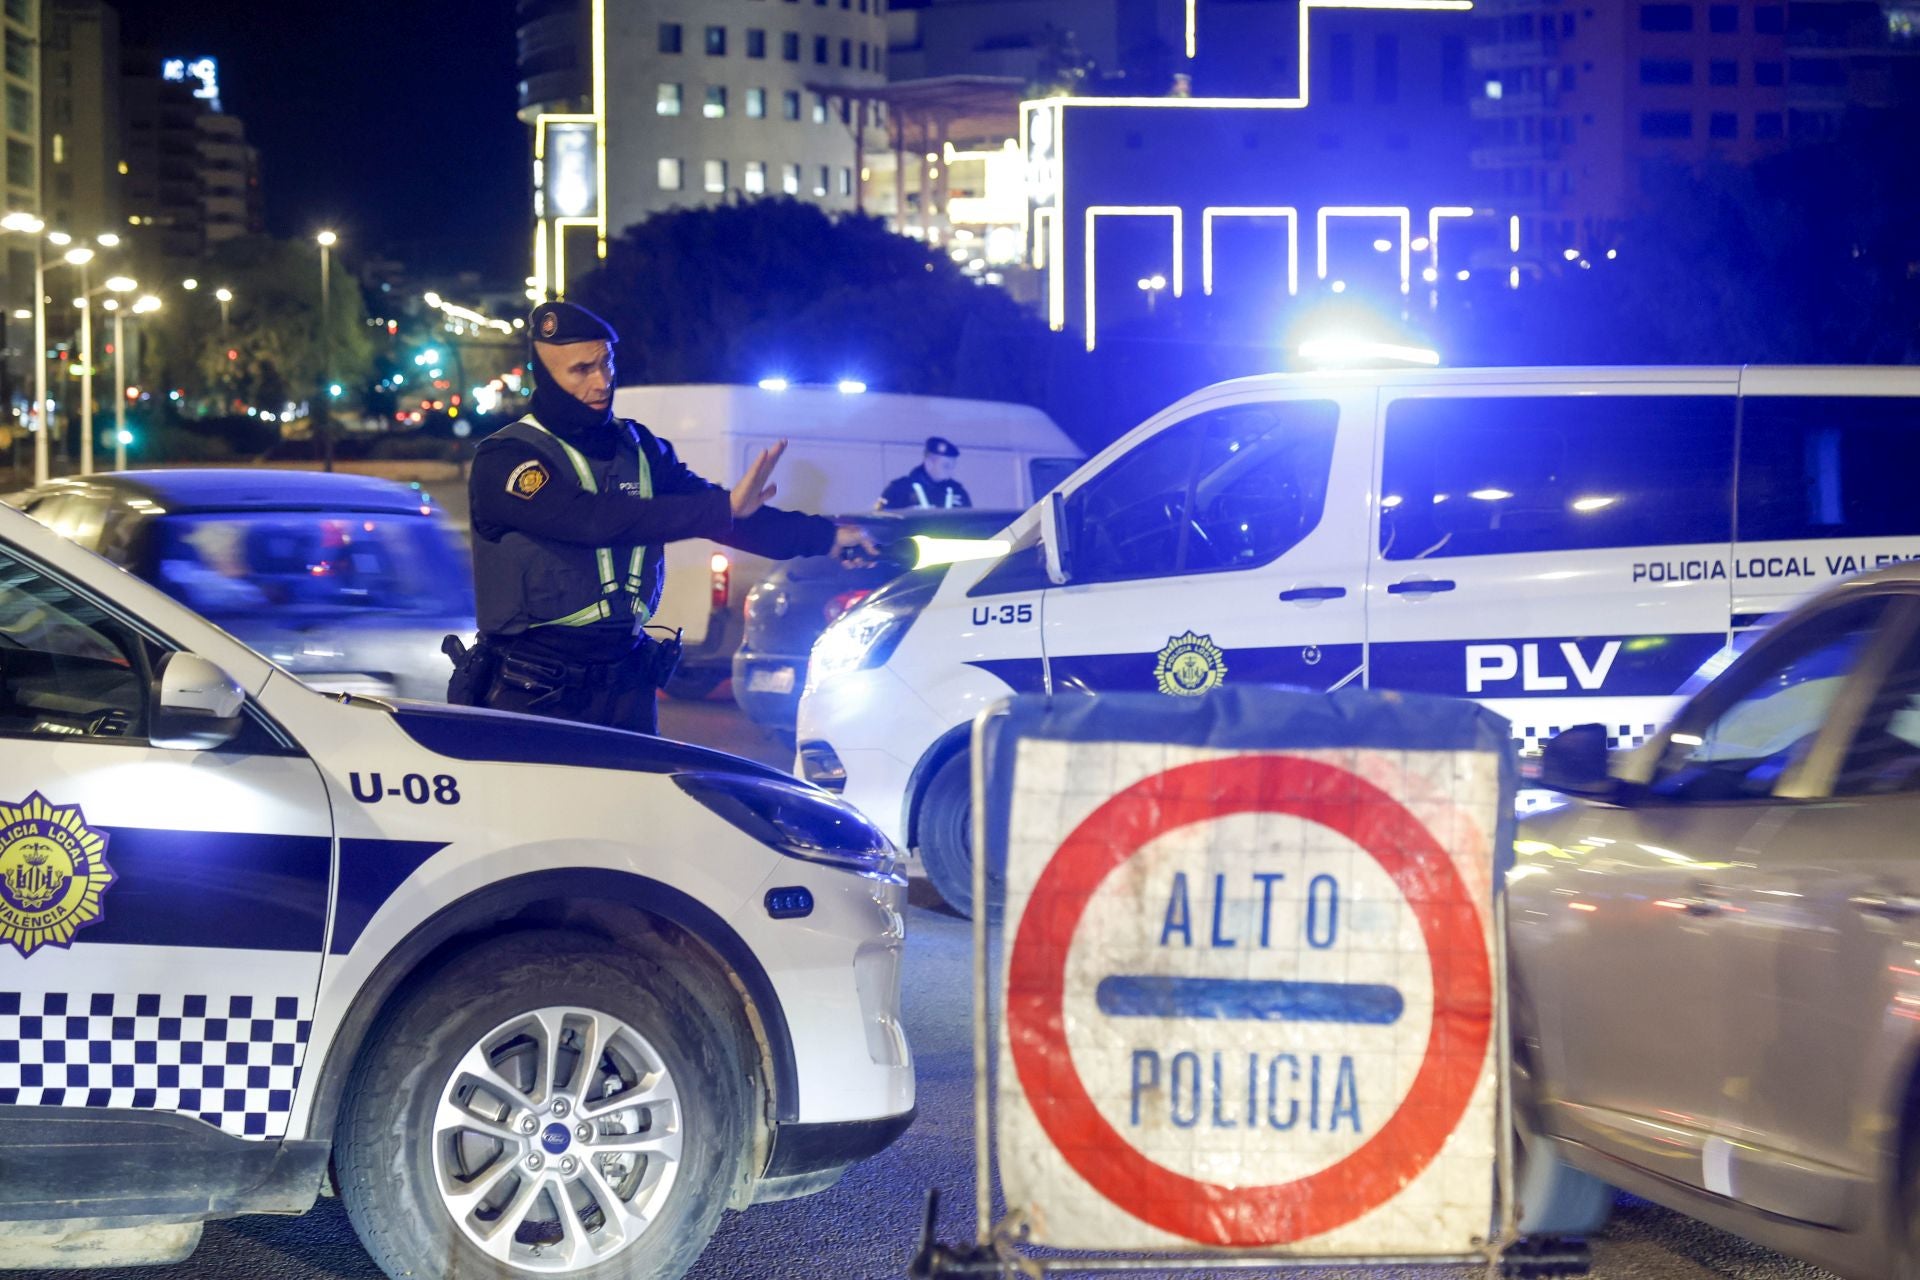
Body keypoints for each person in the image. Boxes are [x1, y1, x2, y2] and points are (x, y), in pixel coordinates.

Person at [449, 300, 876, 735]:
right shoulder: (509, 458)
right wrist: (722, 507)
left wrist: (826, 537)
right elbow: (590, 521)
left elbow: (724, 514)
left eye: (606, 363)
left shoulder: (642, 449)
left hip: (626, 687)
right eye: (581, 370)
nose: (602, 382)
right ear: (546, 375)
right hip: (533, 690)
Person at [878, 436, 971, 510]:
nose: (951, 471)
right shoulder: (899, 489)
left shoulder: (958, 492)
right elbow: (882, 522)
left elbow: (969, 525)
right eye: (946, 466)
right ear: (929, 463)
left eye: (953, 466)